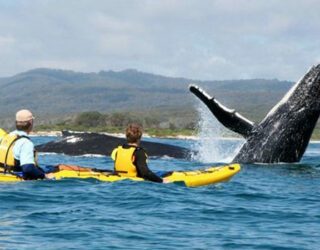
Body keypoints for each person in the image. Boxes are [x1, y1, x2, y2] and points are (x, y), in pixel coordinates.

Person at [0, 109, 53, 180]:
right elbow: (28, 169)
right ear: (31, 123)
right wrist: (45, 176)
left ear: (16, 123)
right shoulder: (25, 143)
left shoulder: (5, 137)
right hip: (15, 183)